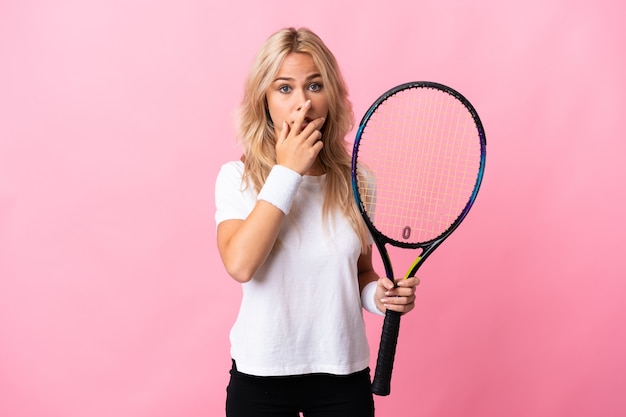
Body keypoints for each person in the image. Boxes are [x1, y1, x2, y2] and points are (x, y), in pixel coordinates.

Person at [214, 27, 419, 417]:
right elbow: (241, 265)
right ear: (265, 100)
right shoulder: (236, 178)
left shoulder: (359, 182)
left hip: (342, 375)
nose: (302, 103)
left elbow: (358, 273)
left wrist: (380, 297)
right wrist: (287, 172)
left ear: (331, 95)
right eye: (284, 88)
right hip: (262, 376)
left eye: (314, 85)